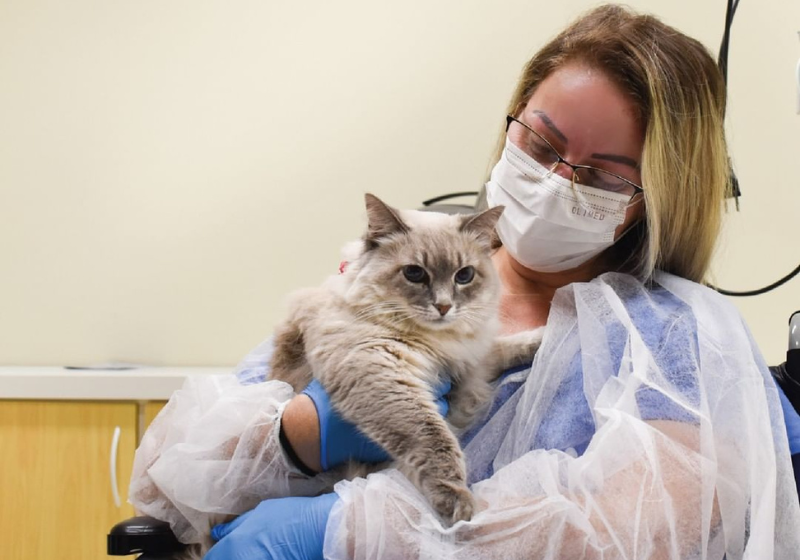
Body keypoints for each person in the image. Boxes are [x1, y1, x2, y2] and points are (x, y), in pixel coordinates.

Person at [130, 4, 800, 559]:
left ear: (657, 197)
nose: (559, 180)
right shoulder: (394, 274)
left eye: (601, 176)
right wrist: (296, 436)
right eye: (541, 145)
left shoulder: (675, 341)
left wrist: (348, 530)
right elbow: (167, 482)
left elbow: (626, 534)